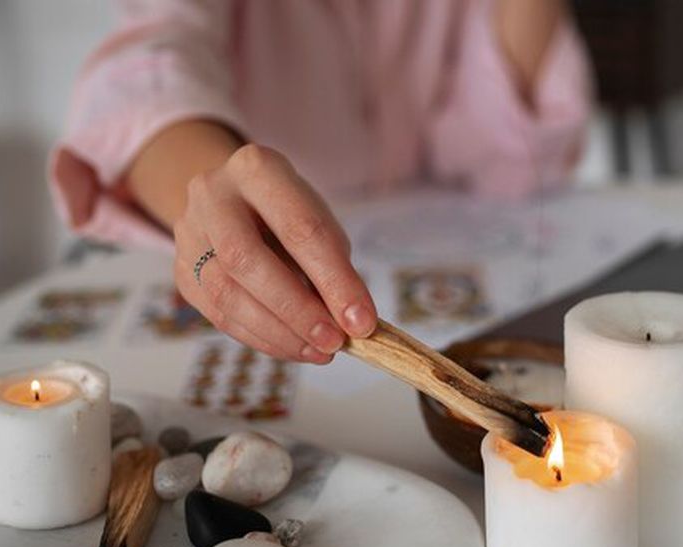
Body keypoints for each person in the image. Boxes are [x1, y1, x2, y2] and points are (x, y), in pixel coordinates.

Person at [49, 0, 592, 365]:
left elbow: (511, 160)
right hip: (242, 309)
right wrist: (212, 183)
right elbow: (148, 66)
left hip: (443, 278)